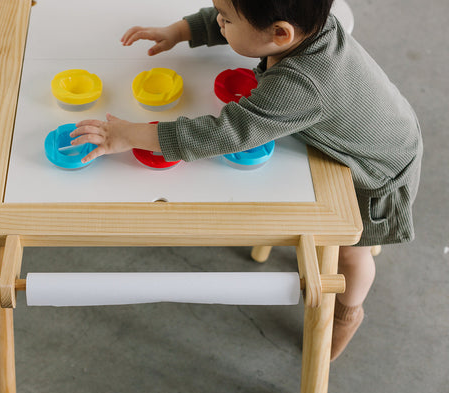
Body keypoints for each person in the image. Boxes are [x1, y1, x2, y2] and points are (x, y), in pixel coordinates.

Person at [70, 0, 423, 361]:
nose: (218, 22)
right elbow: (243, 17)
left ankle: (349, 312)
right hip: (384, 127)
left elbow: (226, 133)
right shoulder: (308, 23)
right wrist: (180, 31)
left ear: (280, 34)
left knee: (352, 252)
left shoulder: (301, 85)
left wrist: (130, 135)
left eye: (225, 19)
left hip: (378, 173)